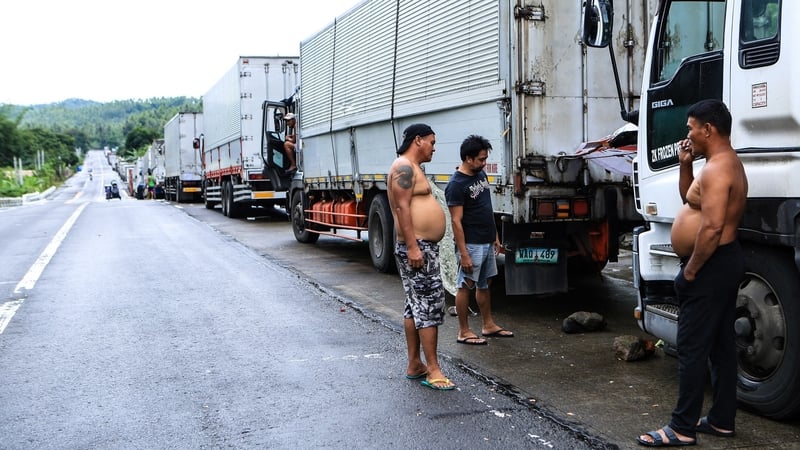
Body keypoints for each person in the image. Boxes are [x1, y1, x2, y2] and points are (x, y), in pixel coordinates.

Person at [637, 99, 747, 446]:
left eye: (690, 128)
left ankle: (681, 428)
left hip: (712, 265)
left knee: (692, 346)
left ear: (708, 130)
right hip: (723, 262)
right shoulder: (721, 163)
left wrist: (690, 273)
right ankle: (721, 420)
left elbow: (712, 229)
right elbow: (690, 198)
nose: (688, 135)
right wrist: (686, 164)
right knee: (720, 346)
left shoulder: (718, 169)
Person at [387, 123, 453, 391]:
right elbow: (402, 208)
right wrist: (413, 246)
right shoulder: (403, 167)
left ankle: (415, 364)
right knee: (428, 306)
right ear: (418, 140)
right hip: (417, 247)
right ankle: (433, 369)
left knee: (414, 305)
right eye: (432, 142)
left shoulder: (410, 168)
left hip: (422, 246)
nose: (434, 148)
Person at [445, 135, 512, 346]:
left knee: (485, 283)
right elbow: (456, 221)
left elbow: (485, 207)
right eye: (481, 159)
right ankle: (463, 331)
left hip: (487, 240)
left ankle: (488, 325)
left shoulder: (480, 175)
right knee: (465, 284)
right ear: (468, 158)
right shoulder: (456, 185)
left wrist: (496, 236)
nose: (484, 163)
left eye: (485, 158)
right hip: (471, 243)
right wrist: (464, 253)